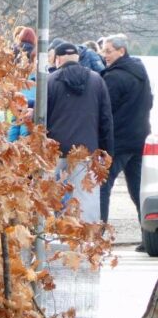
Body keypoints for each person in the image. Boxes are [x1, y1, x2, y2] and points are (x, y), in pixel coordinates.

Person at [47, 42, 114, 222]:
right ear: (78, 58)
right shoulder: (97, 81)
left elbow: (41, 120)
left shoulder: (49, 82)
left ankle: (56, 238)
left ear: (57, 59)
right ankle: (85, 242)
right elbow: (106, 120)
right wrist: (107, 153)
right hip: (87, 151)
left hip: (55, 150)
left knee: (52, 197)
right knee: (87, 201)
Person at [100, 34, 154, 250]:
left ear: (121, 51)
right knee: (138, 189)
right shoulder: (141, 73)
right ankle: (149, 236)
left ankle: (98, 236)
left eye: (108, 51)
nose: (104, 56)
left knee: (103, 186)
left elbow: (104, 111)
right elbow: (150, 101)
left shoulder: (113, 78)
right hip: (140, 138)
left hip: (118, 142)